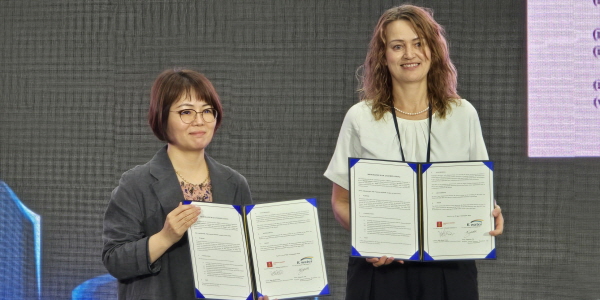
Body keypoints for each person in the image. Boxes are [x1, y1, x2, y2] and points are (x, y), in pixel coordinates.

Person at [324, 5, 504, 300]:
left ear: (433, 50)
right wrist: (370, 241)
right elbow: (341, 201)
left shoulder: (463, 115)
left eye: (418, 43)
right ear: (384, 56)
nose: (410, 54)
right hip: (380, 270)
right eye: (398, 46)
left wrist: (491, 213)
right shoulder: (360, 117)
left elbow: (478, 192)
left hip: (450, 270)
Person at [102, 68, 271, 300]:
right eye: (186, 112)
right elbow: (115, 260)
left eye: (207, 111)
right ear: (162, 117)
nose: (199, 120)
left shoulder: (235, 184)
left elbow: (245, 263)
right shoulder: (136, 184)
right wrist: (165, 237)